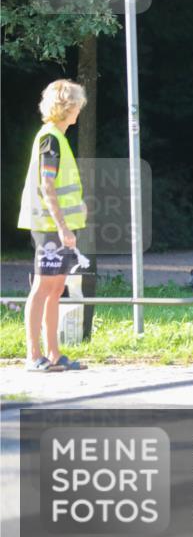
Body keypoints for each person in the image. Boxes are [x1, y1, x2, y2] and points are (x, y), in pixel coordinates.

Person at [17, 80, 89, 371]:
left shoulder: (57, 138)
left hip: (62, 226)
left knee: (57, 288)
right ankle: (34, 355)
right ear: (68, 107)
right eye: (78, 106)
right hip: (50, 226)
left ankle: (54, 354)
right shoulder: (50, 139)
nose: (79, 111)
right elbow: (47, 186)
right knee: (43, 287)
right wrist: (62, 227)